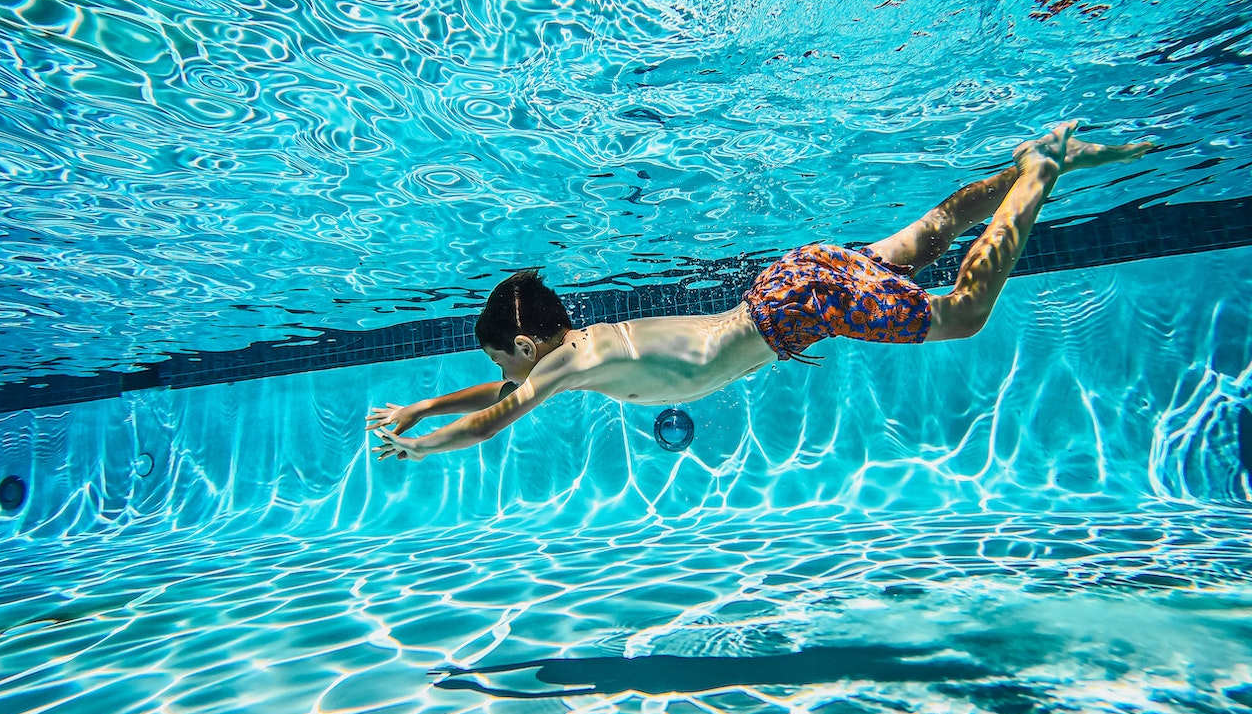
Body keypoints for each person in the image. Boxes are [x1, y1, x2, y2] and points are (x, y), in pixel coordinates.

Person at [368, 123, 1152, 460]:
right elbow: (496, 388)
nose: (512, 377)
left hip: (792, 307)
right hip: (787, 283)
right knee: (937, 228)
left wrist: (421, 442)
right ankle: (1039, 165)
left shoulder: (568, 364)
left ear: (529, 346)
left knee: (963, 315)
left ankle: (1037, 173)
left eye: (509, 362)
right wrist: (420, 404)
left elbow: (495, 418)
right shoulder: (584, 348)